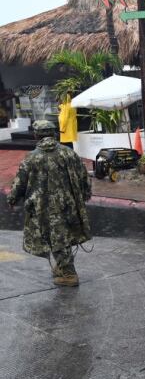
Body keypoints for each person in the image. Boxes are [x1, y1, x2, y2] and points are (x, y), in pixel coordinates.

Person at [7, 120, 91, 286]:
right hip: (69, 203)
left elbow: (20, 183)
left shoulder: (31, 158)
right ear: (54, 134)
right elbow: (83, 176)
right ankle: (62, 267)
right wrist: (85, 194)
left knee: (55, 236)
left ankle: (69, 274)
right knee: (63, 234)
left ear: (36, 136)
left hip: (42, 206)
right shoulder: (69, 153)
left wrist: (12, 199)